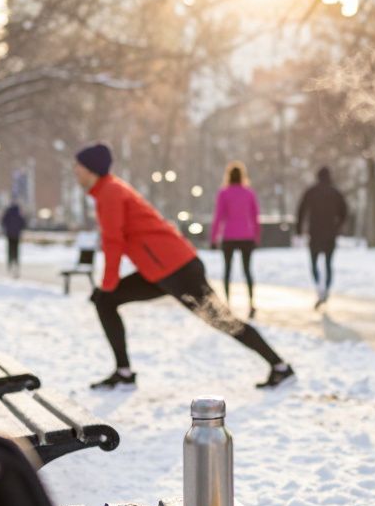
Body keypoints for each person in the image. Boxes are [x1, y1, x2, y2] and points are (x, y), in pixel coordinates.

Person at [72, 143, 294, 390]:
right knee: (105, 301)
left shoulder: (110, 193)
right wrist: (107, 289)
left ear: (91, 169)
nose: (75, 171)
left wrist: (108, 284)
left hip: (178, 269)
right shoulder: (109, 190)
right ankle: (124, 372)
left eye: (79, 166)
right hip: (158, 271)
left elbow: (113, 241)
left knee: (222, 320)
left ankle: (279, 366)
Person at [211, 160, 261, 319]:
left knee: (227, 271)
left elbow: (218, 217)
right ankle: (251, 303)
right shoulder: (249, 193)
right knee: (247, 271)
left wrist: (214, 237)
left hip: (229, 236)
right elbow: (255, 216)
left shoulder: (224, 193)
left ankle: (227, 303)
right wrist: (256, 236)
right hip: (247, 236)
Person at [295, 166, 347, 310]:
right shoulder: (335, 192)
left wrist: (299, 230)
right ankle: (326, 289)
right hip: (330, 233)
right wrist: (338, 226)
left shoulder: (311, 191)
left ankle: (319, 287)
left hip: (315, 233)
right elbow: (344, 211)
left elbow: (301, 210)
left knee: (314, 263)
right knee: (328, 264)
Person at [0, 202, 26, 279]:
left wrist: (7, 229)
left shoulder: (8, 214)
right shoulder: (18, 215)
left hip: (9, 235)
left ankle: (10, 263)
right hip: (16, 235)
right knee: (16, 250)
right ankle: (16, 263)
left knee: (10, 250)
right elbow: (23, 223)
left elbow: (3, 222)